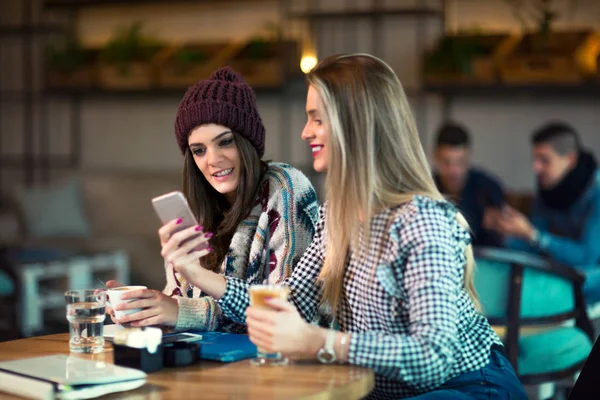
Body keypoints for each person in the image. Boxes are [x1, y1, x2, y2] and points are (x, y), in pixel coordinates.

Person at [166, 54, 527, 399]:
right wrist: (195, 273)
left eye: (317, 119)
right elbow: (292, 302)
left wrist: (320, 343)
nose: (306, 132)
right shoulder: (336, 214)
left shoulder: (421, 218)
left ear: (357, 123)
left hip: (469, 388)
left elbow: (434, 357)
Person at [106, 67, 319, 332]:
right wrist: (145, 309)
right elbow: (181, 301)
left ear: (247, 142)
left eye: (225, 142)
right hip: (214, 357)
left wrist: (183, 311)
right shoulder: (201, 205)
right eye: (198, 150)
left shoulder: (286, 188)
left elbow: (284, 311)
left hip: (274, 361)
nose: (213, 160)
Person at [488, 121, 600, 304]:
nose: (536, 168)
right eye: (535, 160)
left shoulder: (597, 193)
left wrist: (532, 234)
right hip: (564, 277)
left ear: (570, 160)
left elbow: (587, 257)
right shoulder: (549, 187)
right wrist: (507, 231)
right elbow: (535, 245)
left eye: (545, 160)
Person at [433, 122, 505, 247]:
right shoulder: (426, 189)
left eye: (460, 162)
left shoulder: (488, 189)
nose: (454, 171)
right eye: (446, 162)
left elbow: (496, 242)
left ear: (469, 156)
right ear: (435, 156)